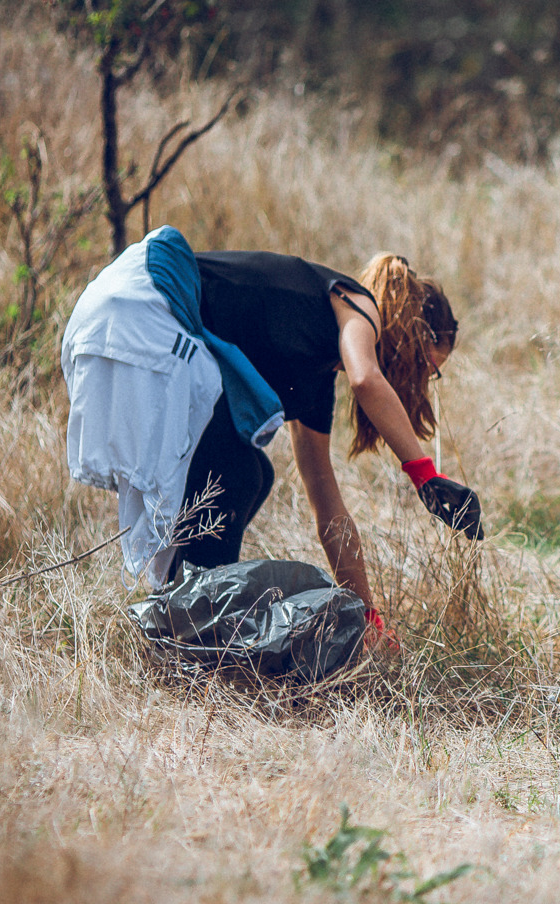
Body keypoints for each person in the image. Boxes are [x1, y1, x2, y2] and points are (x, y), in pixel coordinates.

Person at [62, 228, 481, 646]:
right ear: (410, 333)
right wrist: (425, 474)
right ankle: (194, 639)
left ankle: (179, 627)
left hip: (121, 313)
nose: (424, 381)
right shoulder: (357, 304)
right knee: (238, 473)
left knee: (245, 471)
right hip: (149, 300)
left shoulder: (316, 381)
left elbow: (328, 511)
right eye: (429, 367)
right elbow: (366, 379)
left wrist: (366, 615)